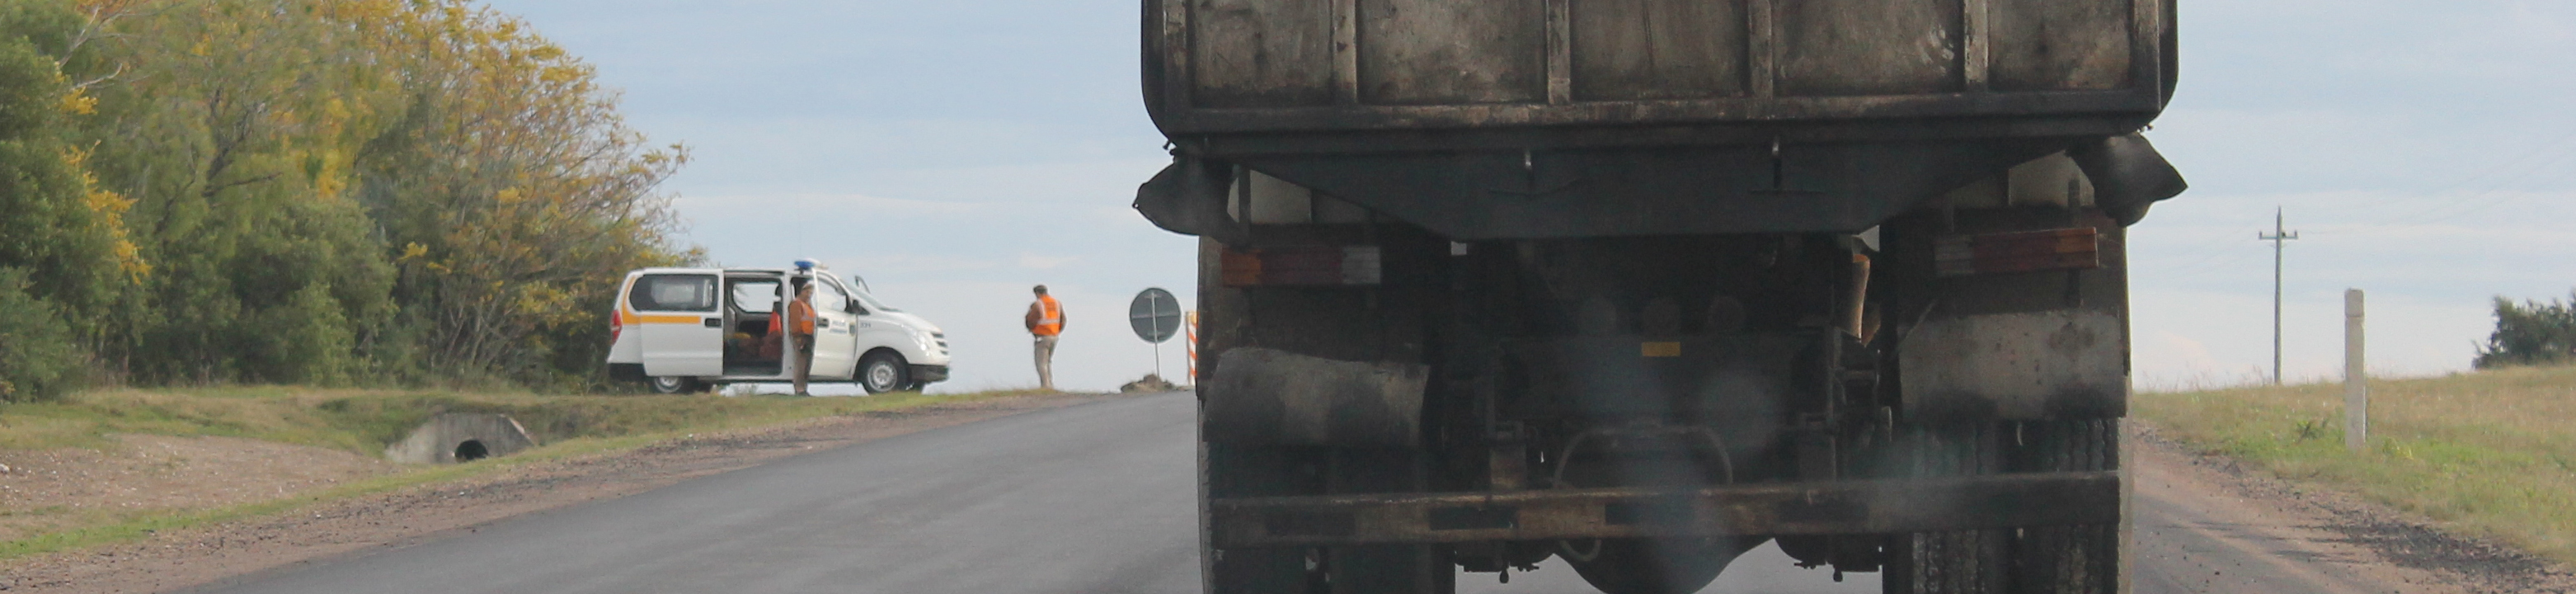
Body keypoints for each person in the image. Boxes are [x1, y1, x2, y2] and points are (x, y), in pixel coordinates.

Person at [772, 279, 819, 396]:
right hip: (801, 337)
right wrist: (798, 337)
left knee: (807, 364)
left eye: (811, 293)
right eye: (807, 292)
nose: (809, 295)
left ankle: (804, 388)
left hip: (808, 336)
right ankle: (799, 389)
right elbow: (795, 322)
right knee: (801, 363)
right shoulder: (796, 304)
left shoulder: (808, 305)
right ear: (801, 292)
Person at [1024, 285, 1065, 391]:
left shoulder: (1038, 304)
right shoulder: (1057, 303)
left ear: (1037, 293)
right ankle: (1050, 384)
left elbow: (1031, 321)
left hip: (1042, 337)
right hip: (1054, 336)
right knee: (1048, 361)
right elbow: (1063, 320)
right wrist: (1056, 331)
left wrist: (1032, 329)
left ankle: (1046, 386)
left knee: (1041, 363)